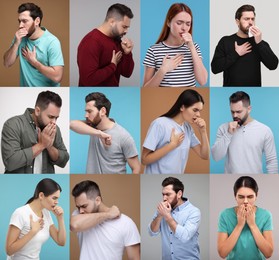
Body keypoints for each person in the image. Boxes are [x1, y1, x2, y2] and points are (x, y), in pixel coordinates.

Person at [70, 92, 140, 174]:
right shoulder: (92, 126)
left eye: (89, 111)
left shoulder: (124, 136)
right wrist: (99, 134)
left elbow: (136, 168)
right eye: (86, 111)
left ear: (103, 111)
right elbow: (71, 124)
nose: (86, 115)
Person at [141, 89, 209, 174]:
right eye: (195, 110)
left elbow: (205, 155)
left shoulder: (187, 128)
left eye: (200, 111)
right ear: (182, 107)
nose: (198, 114)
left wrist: (203, 131)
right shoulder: (160, 124)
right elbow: (144, 159)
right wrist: (172, 145)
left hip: (174, 179)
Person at [1, 90, 69, 173]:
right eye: (51, 117)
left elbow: (64, 159)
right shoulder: (13, 124)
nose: (54, 122)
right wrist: (42, 145)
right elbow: (10, 162)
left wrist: (49, 147)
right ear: (37, 111)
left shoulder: (54, 128)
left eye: (56, 118)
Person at [70, 180, 140, 260]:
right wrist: (108, 215)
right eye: (78, 207)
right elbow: (74, 225)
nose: (81, 211)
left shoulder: (125, 223)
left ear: (97, 200)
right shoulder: (78, 216)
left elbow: (135, 258)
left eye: (84, 206)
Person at [211, 4, 278, 86]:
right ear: (237, 21)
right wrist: (236, 54)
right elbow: (215, 68)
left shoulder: (260, 43)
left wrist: (260, 43)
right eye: (246, 19)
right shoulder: (225, 41)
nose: (250, 22)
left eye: (252, 19)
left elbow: (273, 65)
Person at [211, 91, 278, 173]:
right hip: (230, 181)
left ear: (249, 109)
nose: (235, 115)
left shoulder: (264, 130)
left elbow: (272, 161)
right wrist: (228, 134)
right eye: (232, 112)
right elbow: (215, 156)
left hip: (255, 180)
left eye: (238, 112)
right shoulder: (223, 128)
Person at [142, 3, 207, 87]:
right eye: (179, 23)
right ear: (168, 22)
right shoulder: (154, 50)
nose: (184, 28)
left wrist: (192, 47)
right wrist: (163, 70)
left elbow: (203, 81)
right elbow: (146, 90)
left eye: (188, 24)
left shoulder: (194, 47)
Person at [3, 3, 64, 87]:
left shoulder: (52, 42)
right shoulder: (20, 37)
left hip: (47, 93)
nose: (20, 25)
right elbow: (7, 63)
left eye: (24, 21)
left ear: (37, 21)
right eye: (19, 21)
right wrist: (16, 43)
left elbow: (57, 77)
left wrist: (34, 62)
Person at [6, 178, 66, 259]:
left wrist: (60, 218)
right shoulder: (20, 213)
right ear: (41, 195)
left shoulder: (46, 213)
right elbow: (9, 250)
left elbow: (61, 242)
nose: (57, 202)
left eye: (57, 198)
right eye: (54, 198)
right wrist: (33, 231)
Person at [77, 3, 134, 86]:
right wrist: (112, 66)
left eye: (128, 27)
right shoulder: (91, 42)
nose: (126, 31)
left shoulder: (117, 40)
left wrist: (127, 54)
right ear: (112, 22)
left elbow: (127, 73)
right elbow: (88, 80)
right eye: (124, 27)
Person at [218, 176, 274, 259]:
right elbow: (222, 253)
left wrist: (252, 225)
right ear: (235, 196)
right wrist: (239, 225)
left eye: (250, 197)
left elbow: (268, 253)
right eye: (241, 197)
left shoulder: (266, 215)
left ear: (256, 196)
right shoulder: (225, 215)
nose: (245, 201)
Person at [149, 177, 201, 259]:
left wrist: (167, 216)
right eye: (163, 194)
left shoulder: (194, 211)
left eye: (168, 194)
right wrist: (159, 215)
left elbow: (185, 236)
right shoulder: (162, 209)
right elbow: (152, 232)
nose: (164, 198)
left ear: (179, 194)